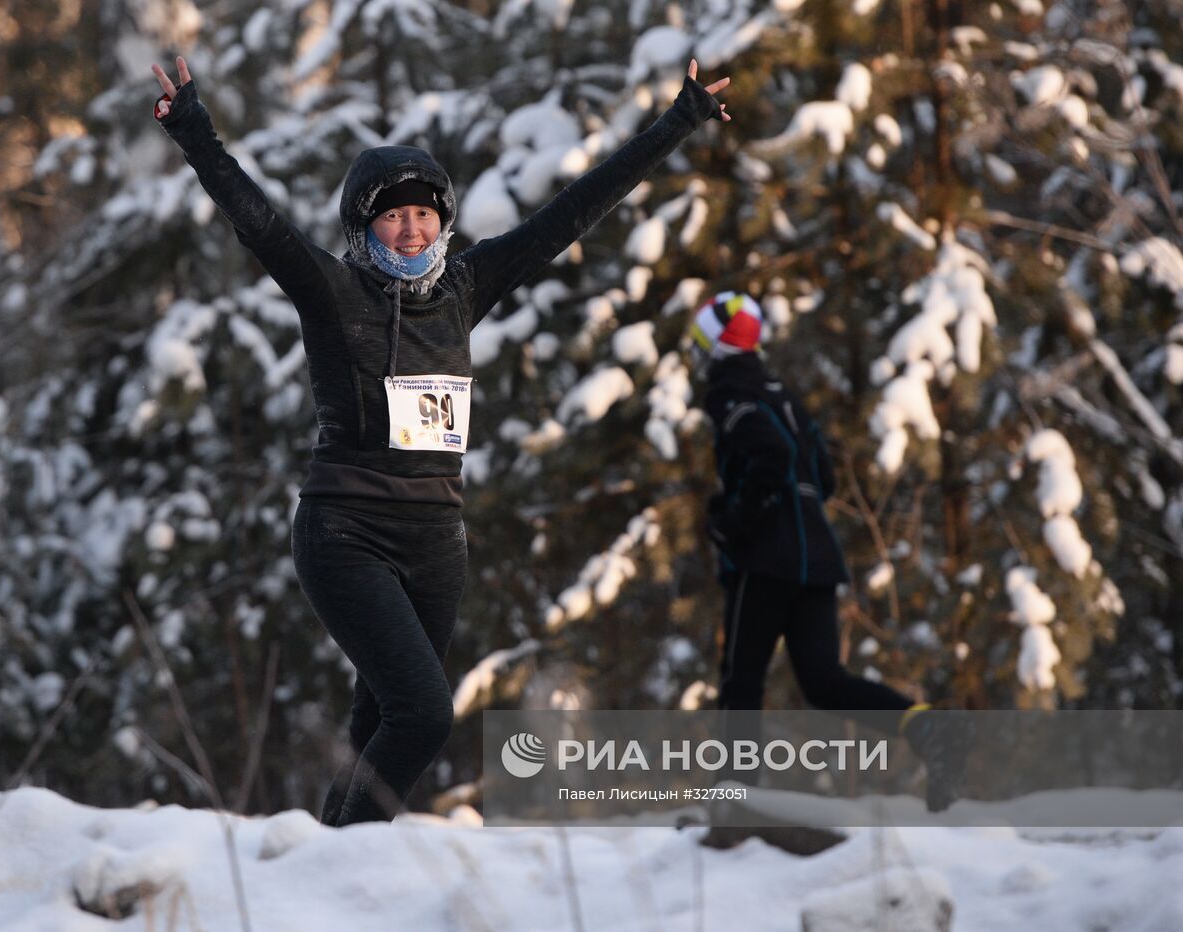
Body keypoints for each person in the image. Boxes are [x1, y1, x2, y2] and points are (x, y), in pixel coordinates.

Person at [151, 55, 731, 826]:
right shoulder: (333, 292)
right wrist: (192, 127)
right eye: (393, 214)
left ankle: (331, 871)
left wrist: (678, 121)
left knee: (379, 721)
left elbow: (572, 212)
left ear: (443, 220)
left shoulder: (462, 290)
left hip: (436, 544)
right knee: (424, 715)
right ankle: (344, 854)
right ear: (364, 225)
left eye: (424, 213)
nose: (412, 226)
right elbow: (256, 220)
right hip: (345, 533)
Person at [693, 291, 970, 812]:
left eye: (699, 341)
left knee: (742, 679)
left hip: (765, 558)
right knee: (823, 683)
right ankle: (927, 727)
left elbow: (771, 456)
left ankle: (735, 799)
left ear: (715, 343)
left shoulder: (732, 394)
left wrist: (735, 521)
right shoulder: (784, 396)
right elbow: (823, 476)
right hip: (815, 557)